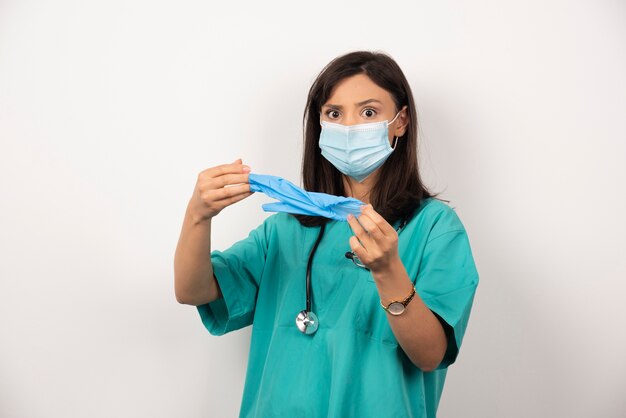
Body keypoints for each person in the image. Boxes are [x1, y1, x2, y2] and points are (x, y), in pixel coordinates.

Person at [174, 50, 479, 417]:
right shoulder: (288, 227)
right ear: (319, 124)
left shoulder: (433, 228)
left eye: (368, 112)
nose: (349, 127)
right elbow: (193, 291)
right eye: (334, 114)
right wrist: (198, 215)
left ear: (401, 121)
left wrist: (387, 271)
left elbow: (430, 355)